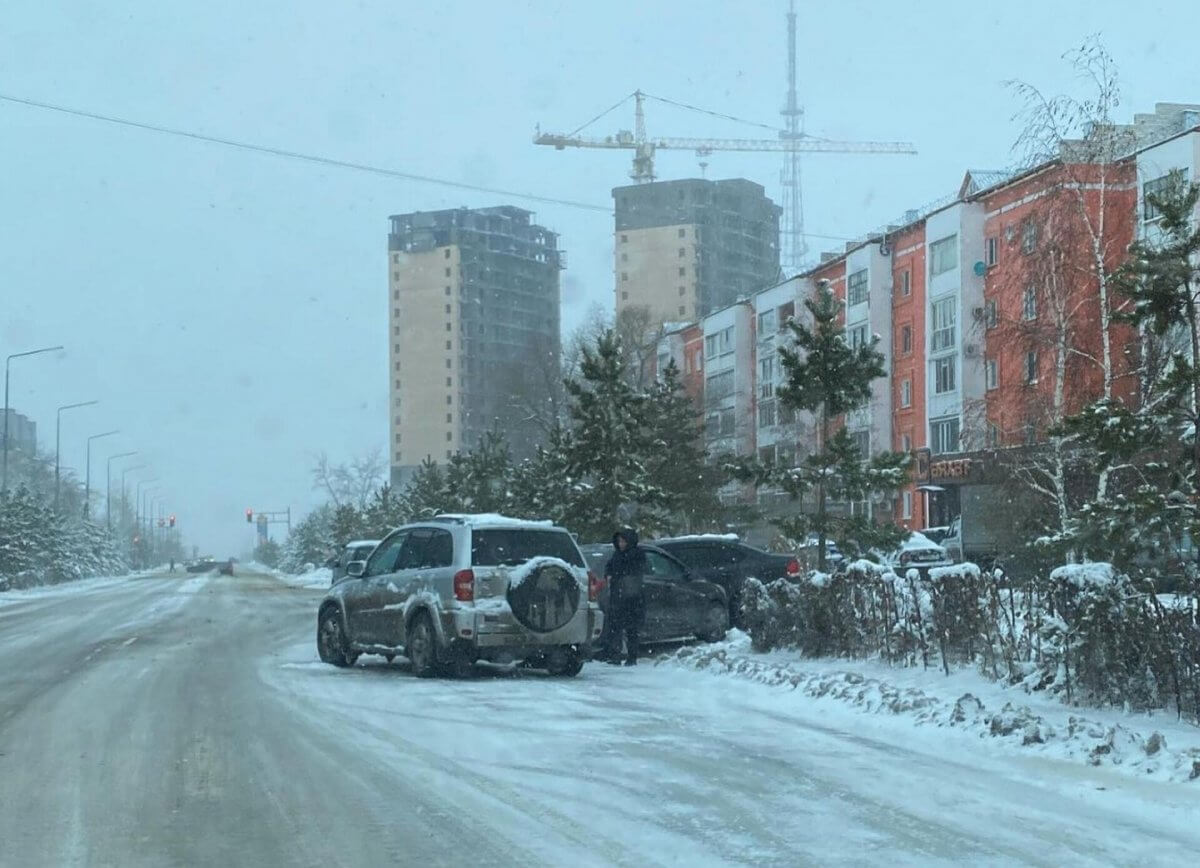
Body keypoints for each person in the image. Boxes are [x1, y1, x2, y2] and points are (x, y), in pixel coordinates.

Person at [603, 527, 647, 666]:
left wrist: (621, 578)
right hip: (618, 597)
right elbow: (609, 567)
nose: (621, 544)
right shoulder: (617, 555)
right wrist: (609, 575)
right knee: (615, 627)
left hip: (632, 598)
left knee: (631, 629)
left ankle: (631, 657)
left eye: (623, 541)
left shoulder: (636, 555)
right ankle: (615, 655)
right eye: (619, 541)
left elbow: (637, 573)